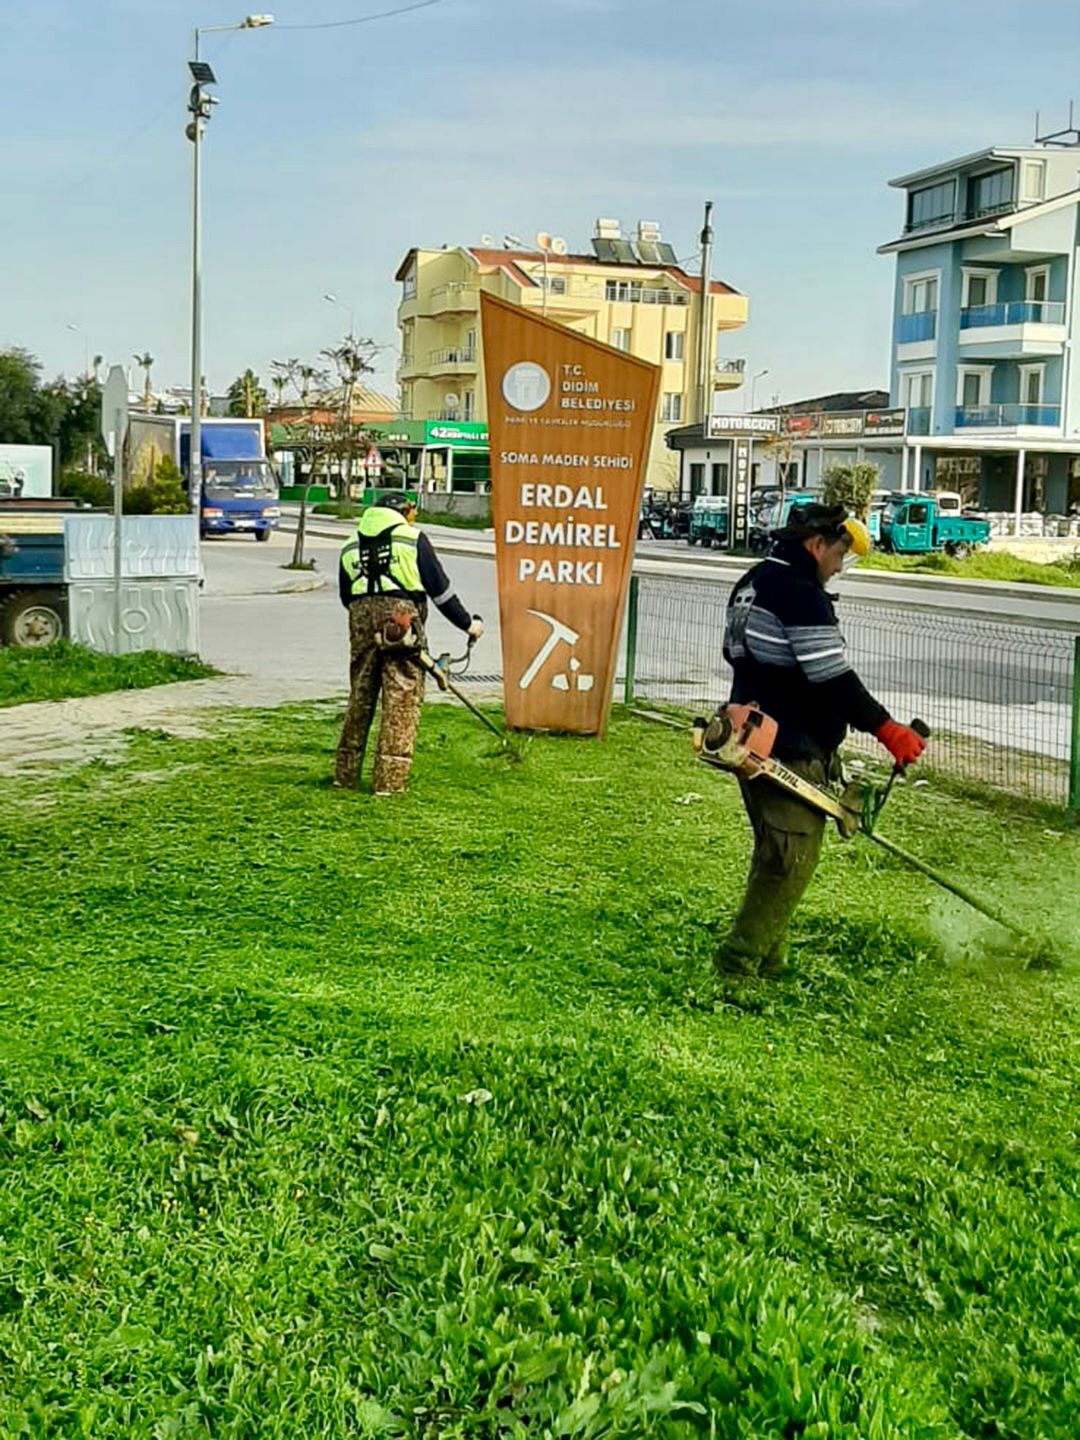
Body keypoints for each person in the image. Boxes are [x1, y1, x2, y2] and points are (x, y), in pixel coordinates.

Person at [714, 502, 926, 979]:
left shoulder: (754, 580)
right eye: (838, 555)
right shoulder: (798, 593)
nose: (837, 568)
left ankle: (773, 961)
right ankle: (737, 965)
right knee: (791, 860)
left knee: (776, 852)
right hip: (790, 746)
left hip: (750, 737)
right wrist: (887, 729)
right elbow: (832, 678)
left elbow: (736, 653)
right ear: (815, 545)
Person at [334, 492, 483, 794]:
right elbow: (440, 592)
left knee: (360, 696)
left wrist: (369, 614)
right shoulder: (412, 538)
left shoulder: (350, 543)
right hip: (402, 621)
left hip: (361, 619)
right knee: (401, 699)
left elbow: (346, 596)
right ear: (405, 512)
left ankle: (344, 776)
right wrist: (469, 624)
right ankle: (389, 782)